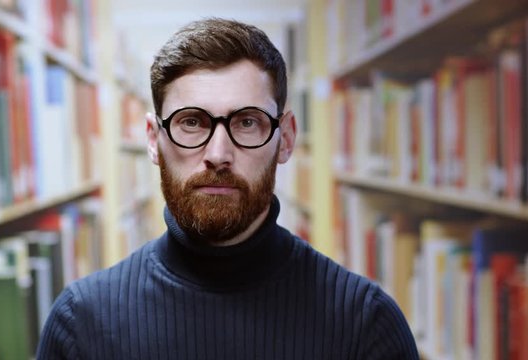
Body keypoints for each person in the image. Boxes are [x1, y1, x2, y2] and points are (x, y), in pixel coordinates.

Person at [37, 18, 419, 360]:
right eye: (192, 122)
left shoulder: (366, 326)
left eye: (247, 122)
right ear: (154, 140)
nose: (218, 154)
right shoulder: (80, 326)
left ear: (285, 139)